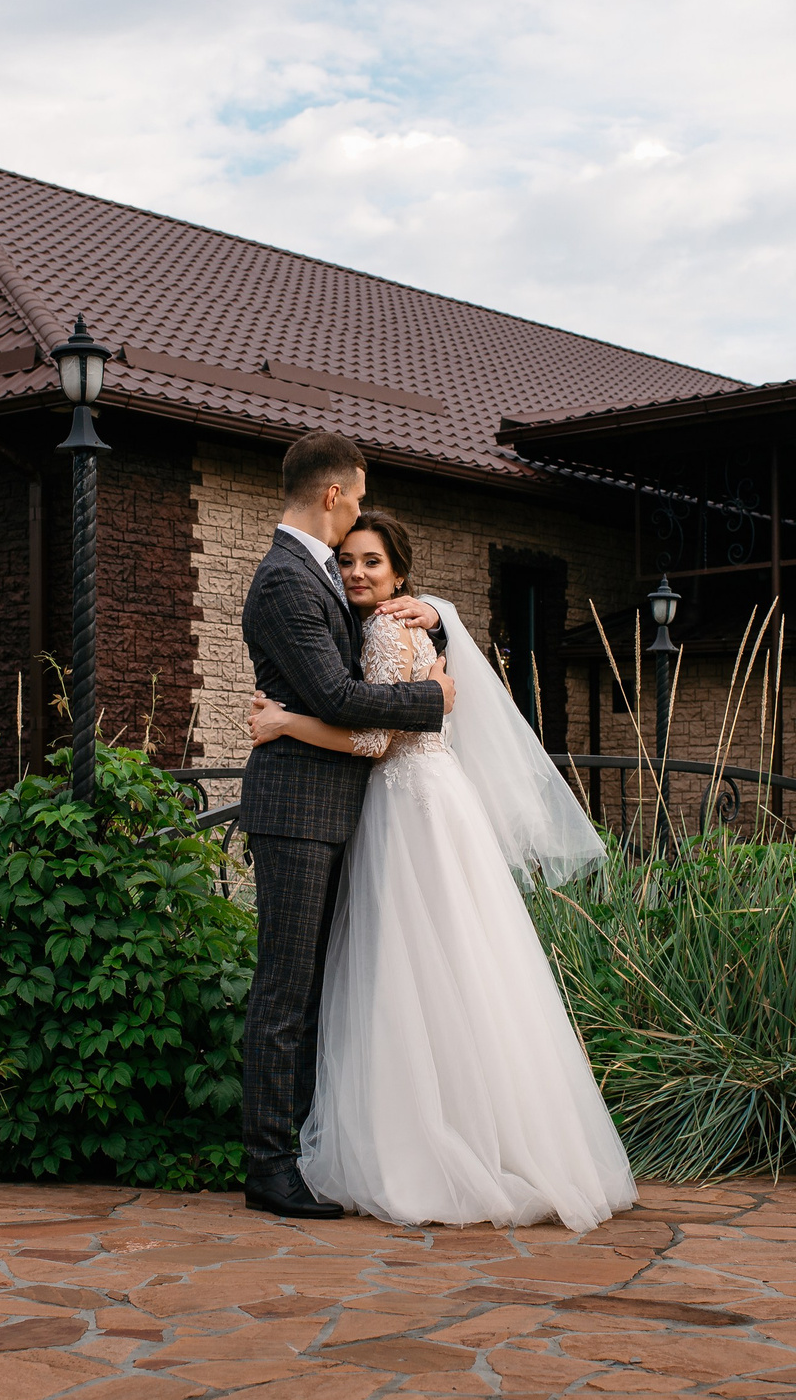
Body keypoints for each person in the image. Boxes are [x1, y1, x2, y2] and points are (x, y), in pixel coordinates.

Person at [248, 510, 636, 1232]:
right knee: (444, 972)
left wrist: (283, 722)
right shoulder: (414, 622)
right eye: (349, 561)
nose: (358, 572)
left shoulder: (387, 628)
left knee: (410, 972)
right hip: (420, 803)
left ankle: (428, 1148)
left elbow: (369, 737)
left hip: (410, 810)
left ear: (399, 572)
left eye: (373, 562)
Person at [237, 431, 455, 1220]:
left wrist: (433, 616)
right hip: (297, 811)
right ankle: (269, 1165)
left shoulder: (321, 574)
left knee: (313, 994)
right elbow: (336, 695)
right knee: (285, 993)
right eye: (358, 497)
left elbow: (373, 633)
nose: (361, 512)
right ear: (334, 495)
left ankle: (301, 1147)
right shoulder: (285, 581)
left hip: (334, 810)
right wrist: (430, 701)